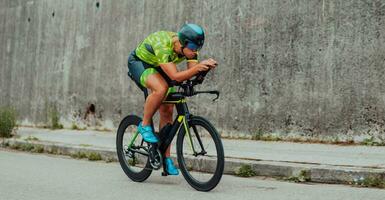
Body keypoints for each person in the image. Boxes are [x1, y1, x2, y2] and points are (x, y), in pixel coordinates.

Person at [127, 23, 217, 175]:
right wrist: (197, 68)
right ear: (182, 44)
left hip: (161, 66)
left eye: (198, 48)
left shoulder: (190, 48)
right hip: (140, 63)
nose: (195, 52)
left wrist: (202, 71)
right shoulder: (164, 45)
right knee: (160, 88)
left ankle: (166, 158)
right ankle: (144, 125)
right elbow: (175, 76)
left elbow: (190, 73)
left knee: (168, 110)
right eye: (194, 48)